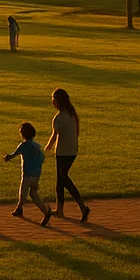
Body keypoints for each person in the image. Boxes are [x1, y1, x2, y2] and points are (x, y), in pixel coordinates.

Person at [44, 87, 89, 222]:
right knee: (61, 181)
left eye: (54, 100)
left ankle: (82, 206)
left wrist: (47, 147)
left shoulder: (57, 118)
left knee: (64, 180)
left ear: (60, 101)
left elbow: (54, 135)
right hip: (72, 151)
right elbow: (77, 132)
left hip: (62, 152)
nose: (52, 102)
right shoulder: (73, 114)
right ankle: (60, 210)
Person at [4, 121, 52, 225]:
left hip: (27, 174)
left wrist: (7, 157)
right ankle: (45, 211)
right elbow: (42, 159)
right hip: (37, 174)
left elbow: (13, 155)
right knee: (33, 193)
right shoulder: (37, 146)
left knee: (23, 193)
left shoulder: (23, 145)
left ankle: (19, 208)